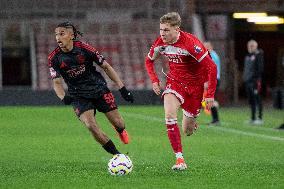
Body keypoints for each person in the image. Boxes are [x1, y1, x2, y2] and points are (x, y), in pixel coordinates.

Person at [48, 22, 134, 157]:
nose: (58, 37)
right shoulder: (54, 57)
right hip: (78, 95)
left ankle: (120, 129)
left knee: (119, 123)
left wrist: (122, 88)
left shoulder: (84, 48)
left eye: (62, 34)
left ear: (71, 35)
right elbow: (56, 82)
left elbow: (106, 66)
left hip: (98, 89)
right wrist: (63, 97)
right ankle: (117, 155)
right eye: (56, 34)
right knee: (90, 125)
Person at [145, 12, 217, 170]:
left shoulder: (191, 44)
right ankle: (179, 159)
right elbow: (149, 60)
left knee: (187, 131)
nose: (162, 34)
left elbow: (212, 66)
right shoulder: (160, 43)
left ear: (177, 29)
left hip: (195, 88)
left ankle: (191, 121)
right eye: (161, 30)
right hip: (175, 82)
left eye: (166, 30)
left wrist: (210, 94)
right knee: (169, 115)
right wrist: (155, 80)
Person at [243, 39, 264, 125]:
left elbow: (260, 69)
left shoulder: (259, 55)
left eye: (252, 46)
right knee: (251, 100)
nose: (250, 48)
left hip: (255, 81)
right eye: (249, 46)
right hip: (248, 81)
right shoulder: (247, 56)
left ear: (256, 46)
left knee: (257, 98)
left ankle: (260, 118)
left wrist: (256, 80)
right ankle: (253, 118)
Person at [203, 41, 221, 125]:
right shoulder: (210, 55)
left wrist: (207, 81)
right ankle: (215, 119)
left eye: (207, 47)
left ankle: (216, 119)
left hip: (213, 81)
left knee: (211, 100)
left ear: (211, 47)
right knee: (210, 99)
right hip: (212, 80)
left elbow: (211, 70)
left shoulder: (213, 56)